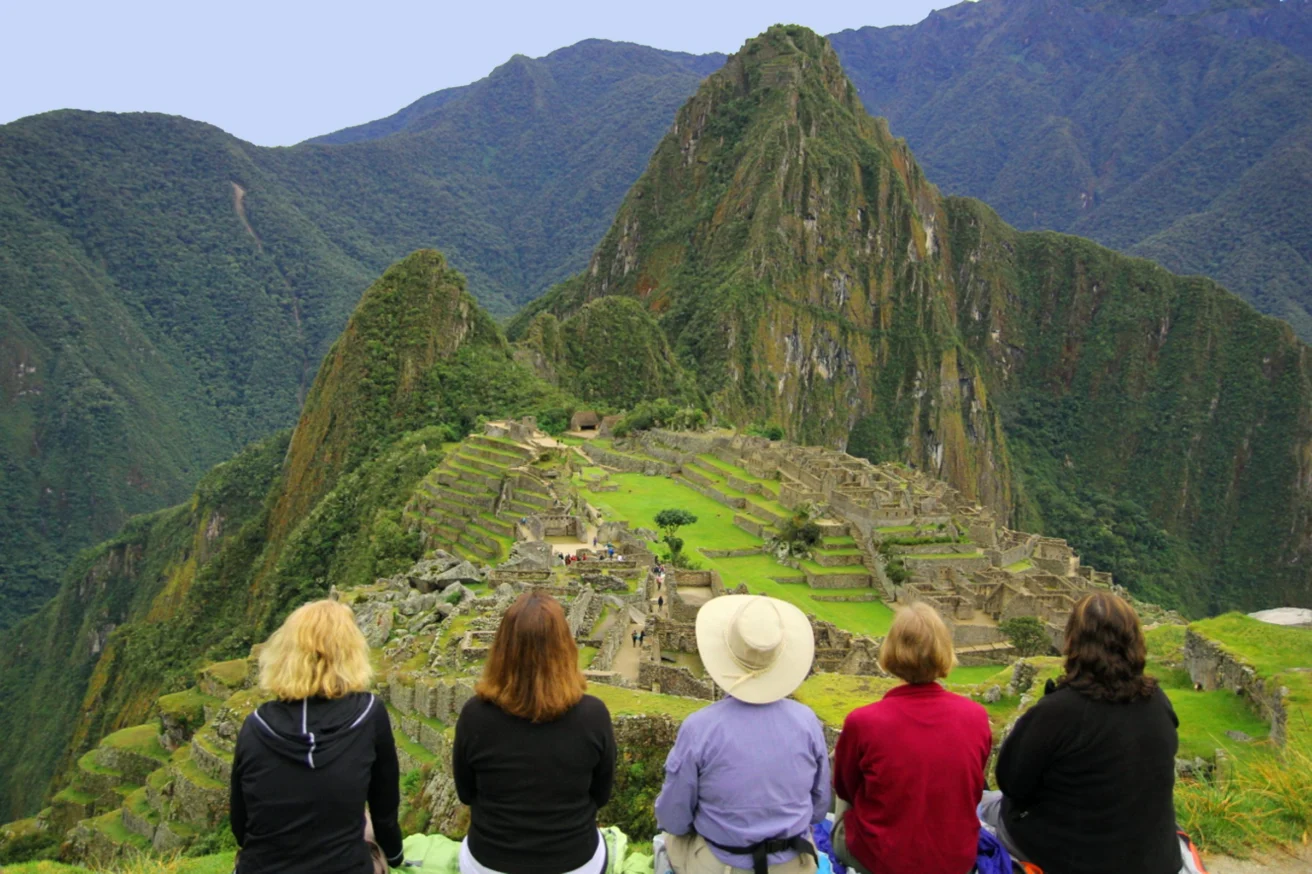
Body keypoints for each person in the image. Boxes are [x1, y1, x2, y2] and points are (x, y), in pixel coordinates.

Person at [978, 592, 1181, 874]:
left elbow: (1012, 783)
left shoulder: (1057, 712)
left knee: (980, 807)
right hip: (1154, 859)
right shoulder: (1158, 702)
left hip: (1071, 859)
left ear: (1073, 641)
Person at [656, 594, 829, 874]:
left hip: (723, 863)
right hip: (792, 862)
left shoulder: (700, 728)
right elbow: (819, 808)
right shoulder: (807, 722)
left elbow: (674, 818)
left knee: (670, 840)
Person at [229, 599, 403, 874]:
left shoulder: (256, 726)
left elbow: (241, 824)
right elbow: (384, 808)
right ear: (351, 652)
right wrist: (393, 855)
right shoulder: (369, 715)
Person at [453, 591, 616, 874]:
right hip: (575, 860)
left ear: (502, 648)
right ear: (565, 646)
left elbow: (466, 793)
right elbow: (600, 794)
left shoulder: (475, 716)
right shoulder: (593, 716)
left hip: (490, 860)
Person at [831, 602, 991, 874]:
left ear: (891, 651)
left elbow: (845, 787)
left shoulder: (863, 722)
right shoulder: (976, 717)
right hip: (955, 859)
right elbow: (975, 787)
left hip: (885, 859)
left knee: (844, 782)